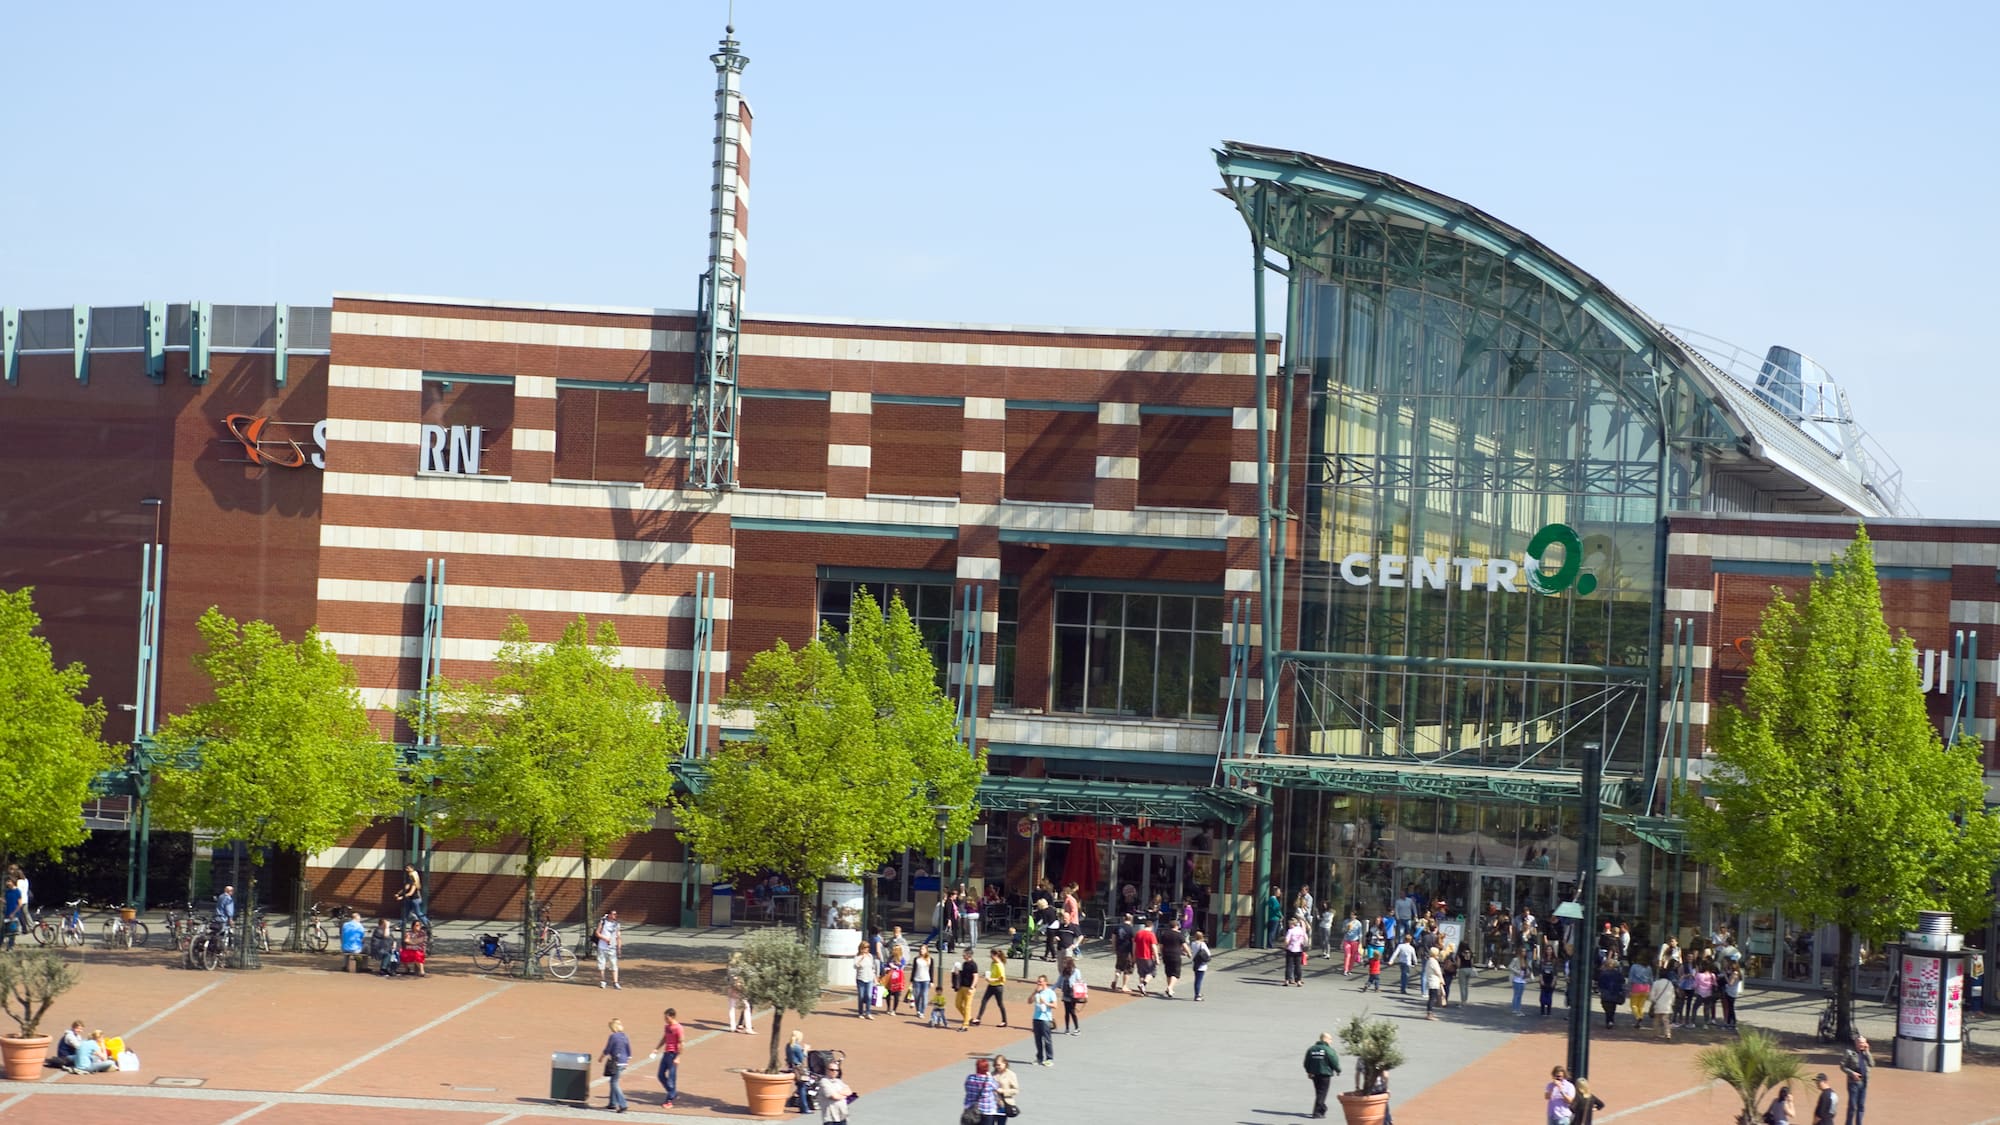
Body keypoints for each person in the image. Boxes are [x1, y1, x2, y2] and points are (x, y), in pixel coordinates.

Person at [1303, 1031, 1342, 1119]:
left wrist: (1308, 1071)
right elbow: (1334, 1061)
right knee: (1322, 1093)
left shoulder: (1311, 1049)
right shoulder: (1329, 1050)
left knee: (1319, 1093)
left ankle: (1322, 1108)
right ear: (1326, 1039)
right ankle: (1316, 1113)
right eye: (1330, 1039)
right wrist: (1338, 1070)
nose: (1331, 1041)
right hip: (1325, 1074)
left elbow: (1306, 1062)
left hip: (1314, 1075)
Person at [653, 1007, 684, 1111]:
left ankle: (669, 1100)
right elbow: (665, 1038)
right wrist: (656, 1048)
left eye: (667, 1018)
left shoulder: (678, 1028)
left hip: (673, 1055)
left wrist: (678, 1057)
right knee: (660, 1075)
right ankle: (673, 1093)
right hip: (666, 1053)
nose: (665, 1020)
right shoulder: (667, 1027)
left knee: (671, 1079)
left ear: (672, 1016)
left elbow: (681, 1043)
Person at [600, 1018, 632, 1113]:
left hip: (616, 1061)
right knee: (613, 1080)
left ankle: (623, 1104)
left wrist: (601, 1057)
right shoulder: (625, 1036)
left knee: (614, 1083)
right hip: (623, 1061)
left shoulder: (613, 1036)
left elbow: (608, 1049)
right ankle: (612, 1103)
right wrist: (627, 1061)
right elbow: (628, 1050)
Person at [974, 948, 1009, 1027]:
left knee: (1000, 1004)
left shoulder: (1000, 965)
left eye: (992, 955)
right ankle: (978, 1018)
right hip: (991, 985)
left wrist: (992, 979)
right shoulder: (993, 963)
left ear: (996, 955)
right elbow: (992, 973)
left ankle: (1004, 1021)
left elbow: (1002, 978)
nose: (991, 956)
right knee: (984, 1001)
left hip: (998, 987)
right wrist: (987, 975)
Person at [1841, 1034, 1871, 1125]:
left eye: (1864, 1042)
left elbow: (1872, 1064)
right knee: (1853, 1106)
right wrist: (1852, 1073)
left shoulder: (1865, 1053)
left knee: (1861, 1106)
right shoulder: (1849, 1053)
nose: (1862, 1044)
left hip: (1864, 1083)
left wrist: (1868, 1052)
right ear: (1856, 1043)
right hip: (1853, 1082)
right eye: (1861, 1043)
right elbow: (1842, 1066)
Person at [962, 1057, 1001, 1125]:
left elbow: (966, 1088)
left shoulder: (970, 1078)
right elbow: (997, 1086)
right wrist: (989, 1076)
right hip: (987, 1110)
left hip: (971, 1109)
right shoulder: (989, 1080)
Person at [1029, 974, 1058, 1065]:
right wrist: (1034, 992)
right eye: (1038, 981)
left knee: (1047, 1039)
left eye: (1040, 982)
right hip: (1036, 1018)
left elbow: (1055, 1005)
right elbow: (1029, 1001)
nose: (1039, 983)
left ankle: (1049, 1058)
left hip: (1045, 1019)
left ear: (1045, 982)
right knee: (1037, 1039)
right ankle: (1039, 1058)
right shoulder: (1037, 992)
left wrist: (1045, 1003)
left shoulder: (1050, 992)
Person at [786, 1030, 814, 1115]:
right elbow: (802, 1058)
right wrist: (805, 1050)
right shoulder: (797, 1046)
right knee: (803, 1087)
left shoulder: (788, 1045)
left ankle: (797, 1103)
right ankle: (804, 1108)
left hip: (792, 1067)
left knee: (800, 1087)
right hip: (799, 1069)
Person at [1157, 916, 1186, 998]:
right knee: (1176, 973)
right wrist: (1189, 953)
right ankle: (1170, 987)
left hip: (1166, 955)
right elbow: (1184, 945)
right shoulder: (1179, 935)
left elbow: (1160, 946)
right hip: (1176, 955)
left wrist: (1160, 953)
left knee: (1168, 972)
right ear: (1176, 926)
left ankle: (1170, 989)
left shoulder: (1164, 934)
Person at [727, 952, 756, 1033]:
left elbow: (729, 978)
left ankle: (732, 1026)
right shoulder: (743, 967)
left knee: (731, 1008)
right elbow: (751, 974)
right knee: (746, 1007)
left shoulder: (730, 967)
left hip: (731, 988)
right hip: (741, 989)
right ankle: (748, 1028)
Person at [594, 909, 623, 990]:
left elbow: (618, 936)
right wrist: (605, 939)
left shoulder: (616, 924)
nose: (615, 916)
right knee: (602, 963)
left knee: (614, 964)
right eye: (613, 914)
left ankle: (615, 982)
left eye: (616, 914)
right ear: (609, 915)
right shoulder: (603, 922)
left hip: (612, 947)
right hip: (602, 946)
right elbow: (597, 933)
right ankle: (603, 981)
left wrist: (619, 948)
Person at [1056, 955, 1085, 1035]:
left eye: (1065, 963)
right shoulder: (1064, 972)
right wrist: (1051, 989)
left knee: (1072, 1011)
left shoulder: (1076, 971)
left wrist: (1082, 989)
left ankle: (1077, 1028)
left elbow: (1079, 981)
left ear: (1069, 963)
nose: (1063, 964)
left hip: (1073, 994)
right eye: (1063, 963)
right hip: (1065, 993)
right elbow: (1058, 982)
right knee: (1066, 1012)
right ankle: (1067, 1028)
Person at [1131, 916, 1160, 995]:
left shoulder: (1138, 933)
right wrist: (1157, 958)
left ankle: (1142, 989)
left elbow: (1134, 946)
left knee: (1141, 973)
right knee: (1152, 972)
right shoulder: (1151, 935)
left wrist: (1134, 956)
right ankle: (1143, 984)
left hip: (1139, 956)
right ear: (1151, 926)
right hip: (1148, 956)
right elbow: (1154, 946)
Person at [1595, 957, 1625, 1029]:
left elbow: (1600, 983)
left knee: (1606, 1006)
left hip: (1606, 993)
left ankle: (1609, 1020)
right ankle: (1610, 1020)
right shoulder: (1618, 973)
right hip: (1615, 993)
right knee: (1612, 1007)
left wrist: (1599, 989)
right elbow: (1622, 981)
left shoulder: (1603, 973)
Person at [1649, 965, 1678, 1040]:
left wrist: (1653, 1001)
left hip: (1658, 1004)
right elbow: (1672, 995)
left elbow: (1652, 995)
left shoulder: (1656, 983)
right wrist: (1672, 1003)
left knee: (1657, 1020)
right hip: (1667, 1005)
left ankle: (1656, 1035)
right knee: (1666, 1021)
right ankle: (1668, 1034)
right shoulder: (1670, 983)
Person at [852, 941, 878, 1020]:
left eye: (867, 948)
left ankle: (868, 1012)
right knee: (861, 996)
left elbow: (872, 968)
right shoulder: (857, 957)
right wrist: (861, 959)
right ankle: (860, 1012)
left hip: (869, 978)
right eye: (864, 948)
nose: (866, 949)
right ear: (861, 948)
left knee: (869, 996)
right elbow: (855, 966)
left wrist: (875, 979)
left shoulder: (870, 956)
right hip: (861, 978)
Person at [954, 949, 979, 1031]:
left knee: (967, 1006)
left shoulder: (973, 965)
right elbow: (964, 974)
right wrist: (958, 973)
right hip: (962, 987)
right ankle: (969, 1018)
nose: (963, 955)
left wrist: (972, 987)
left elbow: (975, 976)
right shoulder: (964, 964)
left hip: (969, 988)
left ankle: (965, 1025)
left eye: (964, 954)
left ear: (969, 955)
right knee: (958, 1004)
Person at [1112, 913, 1137, 991]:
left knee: (1119, 966)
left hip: (1119, 949)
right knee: (1128, 968)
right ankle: (1124, 986)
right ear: (1131, 919)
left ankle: (1115, 980)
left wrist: (1114, 948)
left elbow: (1113, 939)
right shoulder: (1131, 929)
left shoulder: (1117, 927)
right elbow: (1133, 942)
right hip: (1127, 950)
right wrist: (1134, 954)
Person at [1626, 957, 1653, 1028]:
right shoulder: (1649, 967)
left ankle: (1638, 1017)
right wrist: (1651, 988)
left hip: (1636, 987)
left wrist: (1629, 988)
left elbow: (1630, 978)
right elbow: (1651, 979)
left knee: (1633, 1005)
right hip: (1646, 987)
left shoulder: (1634, 966)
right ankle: (1640, 1017)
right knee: (1641, 1005)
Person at [910, 945, 934, 1021]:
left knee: (924, 996)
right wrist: (911, 980)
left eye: (923, 949)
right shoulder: (916, 959)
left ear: (926, 950)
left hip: (926, 980)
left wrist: (931, 981)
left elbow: (931, 971)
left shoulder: (930, 959)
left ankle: (922, 1012)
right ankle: (918, 1010)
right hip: (917, 980)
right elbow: (914, 970)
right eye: (920, 949)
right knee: (917, 996)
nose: (921, 950)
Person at [1422, 949, 1446, 1019]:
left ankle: (1430, 1012)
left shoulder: (1429, 960)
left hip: (1431, 980)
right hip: (1434, 981)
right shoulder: (1433, 961)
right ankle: (1429, 1013)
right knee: (1432, 998)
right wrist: (1442, 979)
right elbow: (1438, 972)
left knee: (1432, 998)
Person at [1190, 929, 1213, 1001]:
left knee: (1197, 979)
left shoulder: (1193, 943)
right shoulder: (1202, 944)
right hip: (1202, 964)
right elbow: (1208, 953)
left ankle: (1198, 993)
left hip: (1195, 963)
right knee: (1199, 980)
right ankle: (1197, 995)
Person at [1341, 911, 1364, 975]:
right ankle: (1345, 969)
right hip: (1347, 940)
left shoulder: (1358, 923)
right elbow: (1342, 931)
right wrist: (1346, 929)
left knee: (1353, 956)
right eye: (1351, 915)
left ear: (1356, 916)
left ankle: (1349, 969)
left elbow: (1360, 934)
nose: (1352, 916)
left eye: (1353, 915)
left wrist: (1360, 942)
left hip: (1355, 941)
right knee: (1347, 955)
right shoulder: (1346, 921)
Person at [1, 879, 21, 950]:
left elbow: (19, 904)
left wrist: (14, 913)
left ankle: (10, 946)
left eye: (9, 881)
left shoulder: (17, 891)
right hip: (7, 912)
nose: (7, 883)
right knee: (3, 930)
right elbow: (7, 901)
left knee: (12, 931)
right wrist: (2, 900)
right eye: (7, 881)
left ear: (13, 882)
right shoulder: (7, 891)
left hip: (14, 913)